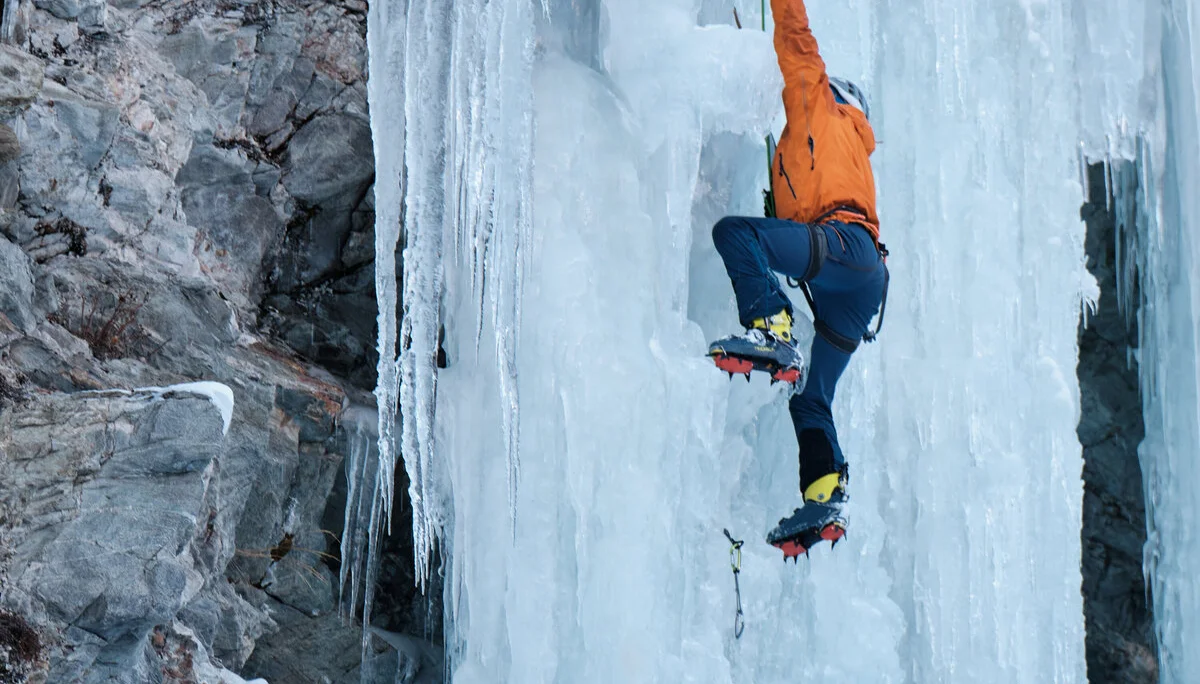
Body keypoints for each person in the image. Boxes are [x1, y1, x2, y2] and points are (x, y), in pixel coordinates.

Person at [707, 0, 888, 558]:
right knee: (811, 401)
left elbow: (797, 37)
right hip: (860, 283)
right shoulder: (838, 150)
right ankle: (825, 498)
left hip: (843, 248)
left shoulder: (821, 104)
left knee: (737, 235)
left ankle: (773, 329)